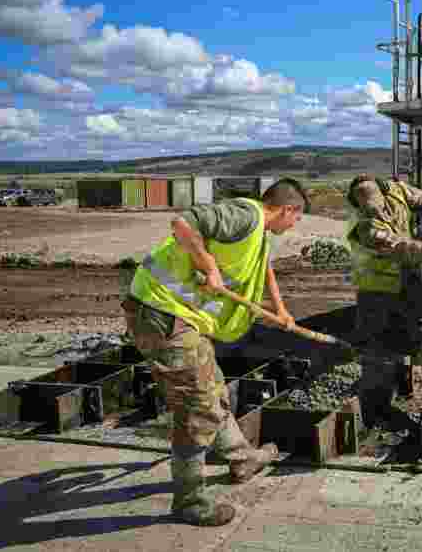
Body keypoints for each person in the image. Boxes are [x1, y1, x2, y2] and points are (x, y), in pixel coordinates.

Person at [122, 178, 309, 527]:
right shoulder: (245, 215)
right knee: (198, 407)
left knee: (213, 390)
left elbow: (262, 267)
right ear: (288, 209)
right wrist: (208, 267)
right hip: (162, 313)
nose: (294, 226)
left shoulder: (258, 236)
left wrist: (281, 309)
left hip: (183, 319)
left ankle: (242, 458)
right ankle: (190, 500)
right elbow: (183, 223)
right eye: (297, 218)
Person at [343, 174, 422, 432]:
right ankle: (378, 406)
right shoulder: (365, 226)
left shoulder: (398, 190)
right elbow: (396, 245)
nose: (380, 213)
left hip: (408, 279)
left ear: (384, 190)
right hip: (375, 290)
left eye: (381, 207)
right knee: (378, 343)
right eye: (372, 210)